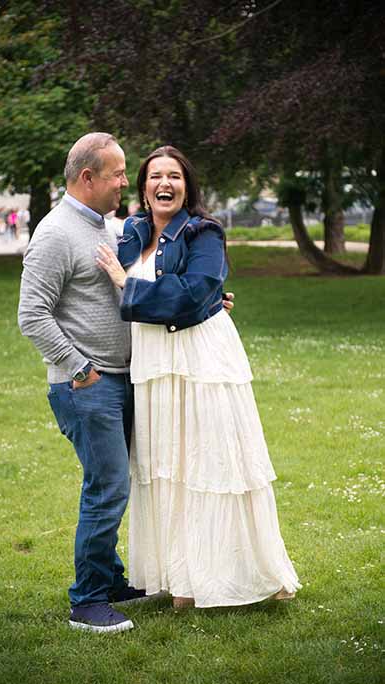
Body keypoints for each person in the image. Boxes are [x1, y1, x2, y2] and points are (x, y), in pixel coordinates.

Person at [95, 146, 300, 609]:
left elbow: (192, 294)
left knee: (209, 464)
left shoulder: (205, 232)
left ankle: (226, 577)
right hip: (154, 367)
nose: (164, 184)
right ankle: (181, 579)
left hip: (200, 361)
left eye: (174, 176)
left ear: (187, 186)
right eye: (154, 177)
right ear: (143, 187)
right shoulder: (131, 232)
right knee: (167, 469)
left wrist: (129, 286)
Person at [17, 132, 146, 633]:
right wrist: (79, 368)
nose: (123, 181)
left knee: (115, 484)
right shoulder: (55, 233)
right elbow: (31, 314)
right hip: (87, 386)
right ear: (87, 177)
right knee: (107, 486)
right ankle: (88, 601)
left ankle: (110, 580)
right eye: (116, 173)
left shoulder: (105, 227)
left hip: (119, 379)